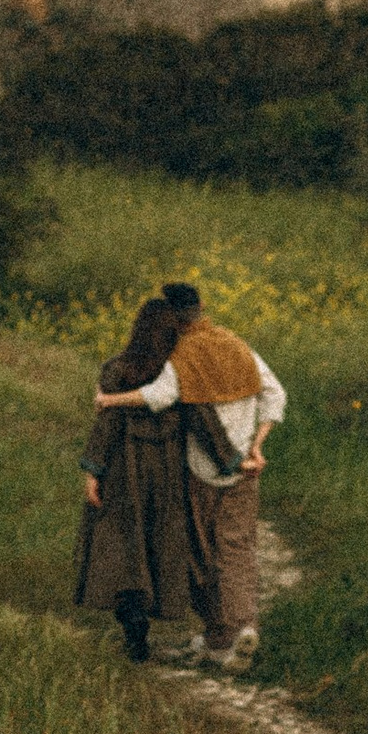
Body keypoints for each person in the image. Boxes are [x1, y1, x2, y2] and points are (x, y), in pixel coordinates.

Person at [94, 280, 284, 669]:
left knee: (201, 552)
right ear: (202, 308)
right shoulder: (237, 344)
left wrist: (109, 399)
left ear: (175, 320)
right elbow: (275, 394)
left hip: (200, 470)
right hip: (246, 466)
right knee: (238, 548)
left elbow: (160, 397)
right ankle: (243, 625)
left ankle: (219, 634)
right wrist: (257, 444)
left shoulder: (182, 353)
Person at [72, 296, 206, 661]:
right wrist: (227, 458)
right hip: (168, 470)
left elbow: (108, 423)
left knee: (123, 545)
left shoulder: (117, 369)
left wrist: (93, 471)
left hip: (124, 468)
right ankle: (153, 612)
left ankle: (133, 628)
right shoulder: (180, 370)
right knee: (158, 540)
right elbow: (200, 418)